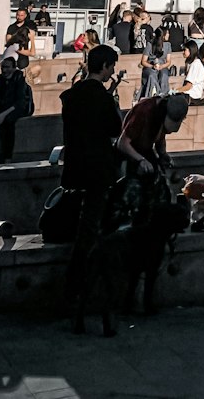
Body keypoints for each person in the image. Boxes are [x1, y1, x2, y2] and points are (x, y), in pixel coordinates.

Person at [61, 44, 122, 334]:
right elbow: (114, 130)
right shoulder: (104, 98)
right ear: (106, 66)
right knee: (92, 232)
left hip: (74, 170)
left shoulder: (71, 96)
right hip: (98, 170)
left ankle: (72, 293)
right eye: (111, 66)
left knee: (80, 228)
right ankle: (78, 292)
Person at [118, 91, 190, 174]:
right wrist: (141, 160)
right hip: (129, 153)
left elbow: (160, 136)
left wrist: (163, 154)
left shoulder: (162, 116)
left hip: (146, 149)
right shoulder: (144, 110)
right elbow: (122, 143)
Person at [139, 27, 171, 98]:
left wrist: (162, 66)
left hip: (162, 65)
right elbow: (143, 61)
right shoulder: (150, 45)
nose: (169, 35)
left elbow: (168, 61)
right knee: (152, 75)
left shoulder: (168, 45)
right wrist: (152, 66)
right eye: (167, 33)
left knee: (164, 74)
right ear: (163, 35)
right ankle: (151, 95)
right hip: (150, 65)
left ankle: (164, 95)